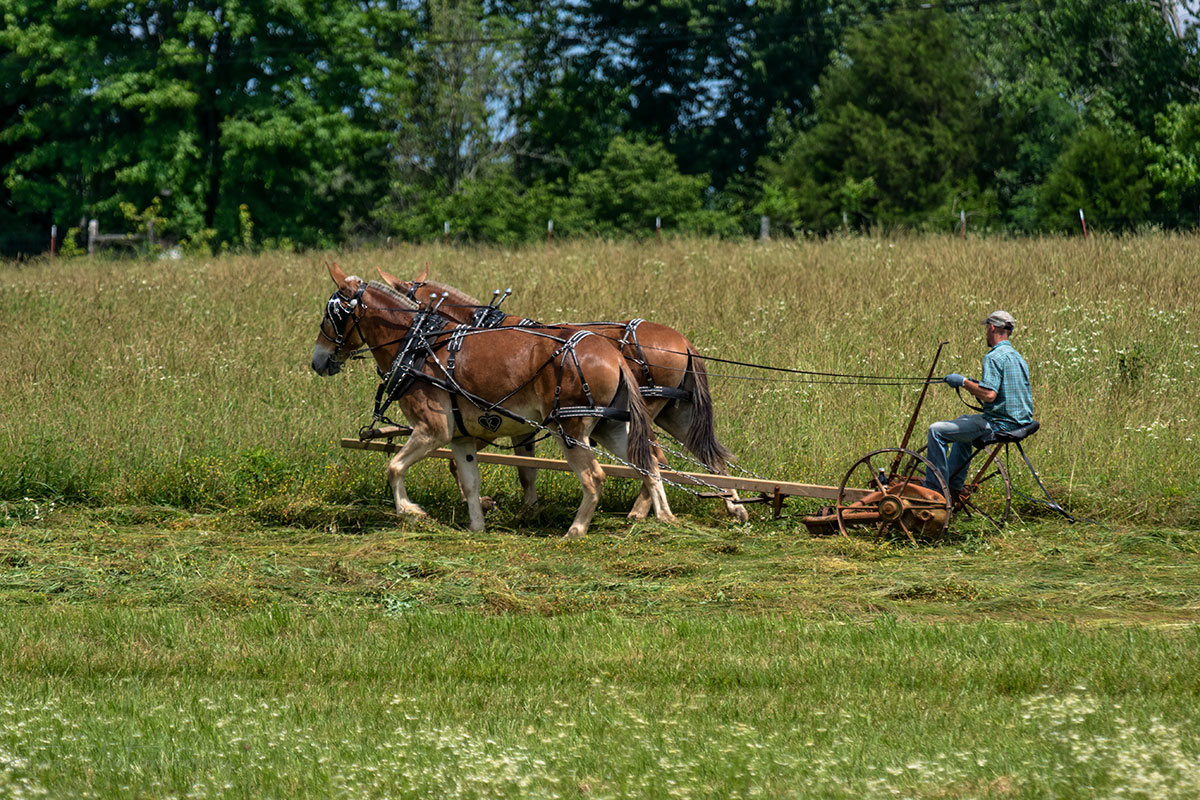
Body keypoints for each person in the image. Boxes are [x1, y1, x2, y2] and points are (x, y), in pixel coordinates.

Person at [924, 310, 1034, 498]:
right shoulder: (1017, 357)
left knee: (936, 430)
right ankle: (953, 486)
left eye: (987, 329)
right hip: (1019, 421)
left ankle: (935, 492)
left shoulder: (993, 357)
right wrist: (975, 384)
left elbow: (990, 395)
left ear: (992, 328)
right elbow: (1001, 390)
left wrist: (963, 382)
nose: (986, 334)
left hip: (999, 423)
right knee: (962, 425)